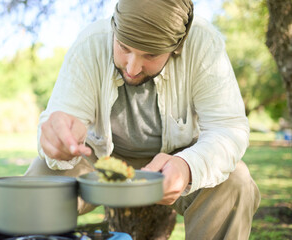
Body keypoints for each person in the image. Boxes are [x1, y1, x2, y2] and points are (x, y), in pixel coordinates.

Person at [25, 0, 261, 239]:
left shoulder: (204, 45)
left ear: (176, 46)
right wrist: (57, 138)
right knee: (41, 175)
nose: (133, 67)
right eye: (124, 47)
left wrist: (187, 166)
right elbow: (61, 116)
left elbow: (228, 129)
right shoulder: (90, 43)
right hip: (99, 159)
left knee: (236, 181)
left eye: (151, 54)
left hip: (175, 158)